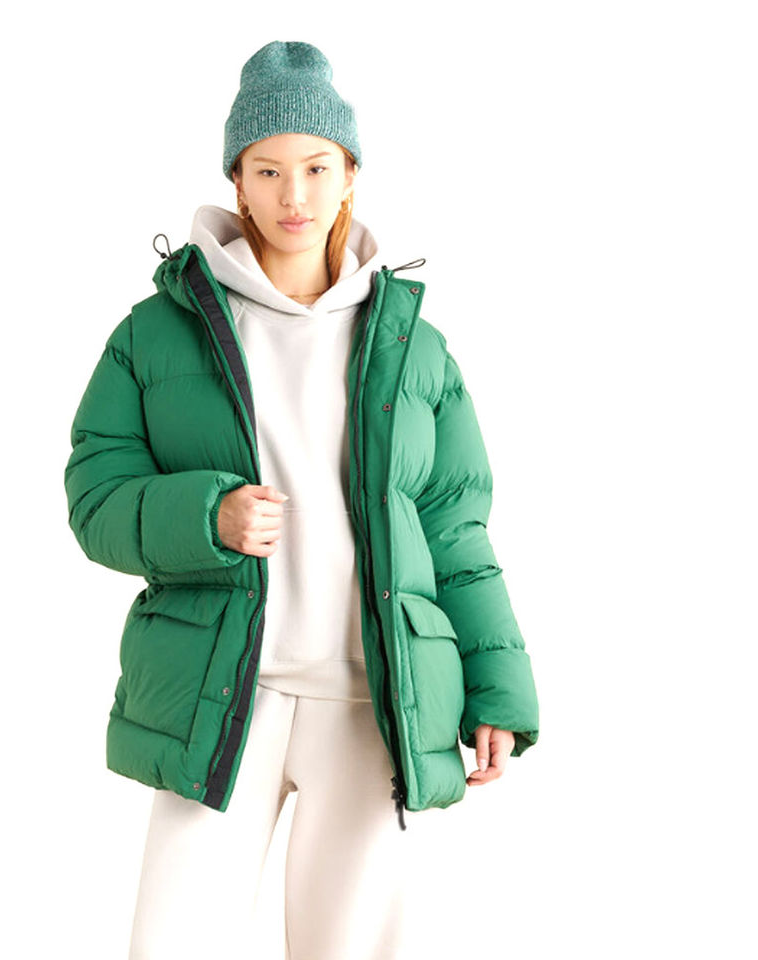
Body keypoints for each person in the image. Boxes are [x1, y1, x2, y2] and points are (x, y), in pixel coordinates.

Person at [63, 40, 539, 960]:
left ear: (350, 173)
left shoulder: (412, 347)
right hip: (220, 696)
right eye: (269, 169)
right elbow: (96, 495)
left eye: (317, 167)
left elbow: (455, 529)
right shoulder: (157, 333)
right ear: (238, 184)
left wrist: (497, 690)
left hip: (371, 702)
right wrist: (207, 517)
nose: (295, 195)